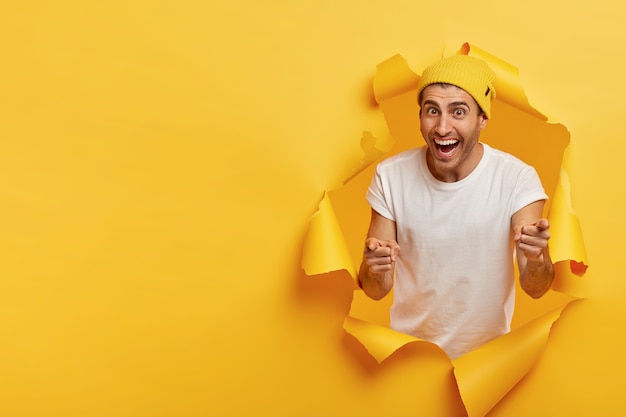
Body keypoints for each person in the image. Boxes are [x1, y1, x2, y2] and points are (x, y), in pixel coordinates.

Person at [357, 54, 554, 359]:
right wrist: (373, 266)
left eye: (458, 112)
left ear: (482, 119)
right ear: (420, 115)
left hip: (486, 365)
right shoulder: (390, 175)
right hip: (410, 359)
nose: (442, 127)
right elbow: (375, 289)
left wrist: (536, 255)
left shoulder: (517, 178)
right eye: (432, 111)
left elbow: (537, 288)